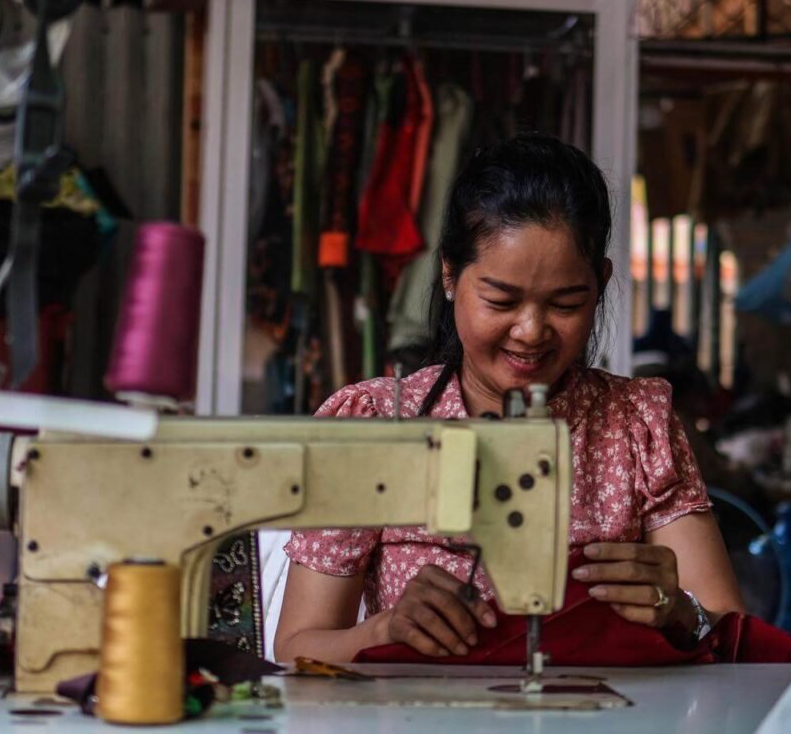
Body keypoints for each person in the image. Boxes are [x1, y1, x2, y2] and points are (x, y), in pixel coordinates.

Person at [274, 134, 744, 663]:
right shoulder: (374, 428)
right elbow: (296, 650)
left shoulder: (637, 427)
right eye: (501, 300)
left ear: (602, 284)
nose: (531, 331)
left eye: (567, 303)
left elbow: (732, 637)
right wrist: (383, 631)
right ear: (450, 274)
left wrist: (681, 612)